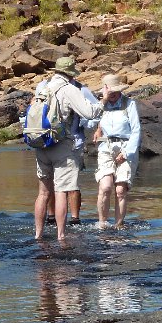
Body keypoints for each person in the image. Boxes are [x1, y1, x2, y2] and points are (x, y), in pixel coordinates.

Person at [33, 57, 102, 241]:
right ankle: (61, 235)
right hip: (62, 145)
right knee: (61, 191)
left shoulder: (43, 87)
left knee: (43, 193)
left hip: (41, 143)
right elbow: (88, 113)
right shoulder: (69, 89)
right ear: (71, 74)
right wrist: (103, 103)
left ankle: (38, 234)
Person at [44, 78, 99, 226]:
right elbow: (95, 114)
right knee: (70, 184)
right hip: (71, 142)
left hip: (47, 142)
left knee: (52, 184)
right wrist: (84, 121)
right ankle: (72, 220)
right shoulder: (80, 90)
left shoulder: (43, 87)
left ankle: (54, 219)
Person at [91, 73, 141, 229]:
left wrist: (126, 153)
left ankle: (118, 225)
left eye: (114, 92)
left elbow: (136, 131)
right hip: (106, 147)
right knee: (105, 187)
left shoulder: (129, 104)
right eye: (108, 92)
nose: (111, 95)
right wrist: (97, 128)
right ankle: (102, 224)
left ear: (120, 91)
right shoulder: (102, 105)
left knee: (120, 190)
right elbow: (88, 120)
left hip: (126, 147)